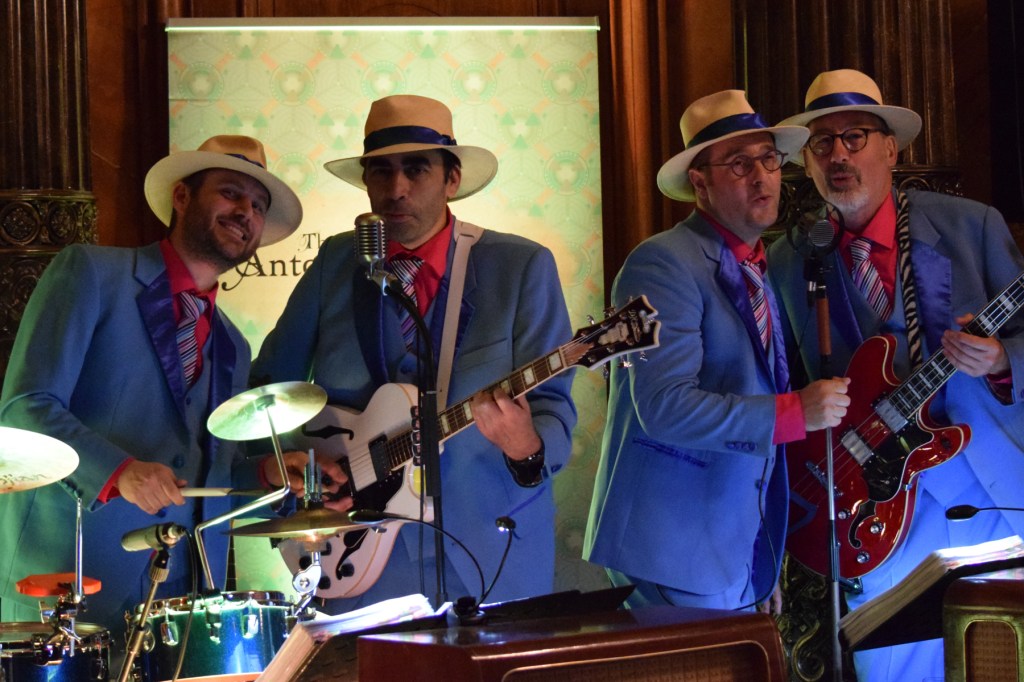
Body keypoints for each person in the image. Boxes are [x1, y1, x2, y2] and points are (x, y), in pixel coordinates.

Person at [0, 135, 345, 648]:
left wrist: (267, 476)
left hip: (181, 606)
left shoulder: (233, 344)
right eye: (231, 193)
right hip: (66, 586)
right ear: (181, 196)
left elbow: (207, 477)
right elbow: (25, 408)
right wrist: (119, 471)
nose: (246, 212)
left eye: (258, 205)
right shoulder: (91, 272)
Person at [250, 94, 577, 611]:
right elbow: (267, 393)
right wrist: (289, 472)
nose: (396, 189)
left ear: (452, 179)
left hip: (491, 552)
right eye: (381, 171)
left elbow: (554, 405)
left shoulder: (521, 267)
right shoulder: (336, 261)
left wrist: (528, 447)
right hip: (356, 551)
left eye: (416, 169)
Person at [768, 68, 1024, 681]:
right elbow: (784, 388)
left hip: (994, 489)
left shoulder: (971, 226)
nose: (838, 154)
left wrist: (1002, 360)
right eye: (822, 142)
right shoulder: (787, 261)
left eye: (854, 137)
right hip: (876, 513)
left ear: (891, 148)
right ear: (806, 161)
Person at [583, 90, 851, 612]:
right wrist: (795, 412)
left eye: (769, 159)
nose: (762, 177)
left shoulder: (756, 262)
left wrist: (755, 556)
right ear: (699, 182)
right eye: (739, 164)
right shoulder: (661, 264)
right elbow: (665, 406)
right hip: (672, 549)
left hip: (728, 548)